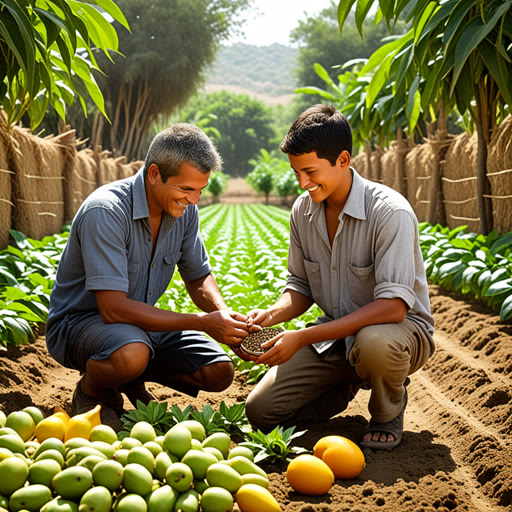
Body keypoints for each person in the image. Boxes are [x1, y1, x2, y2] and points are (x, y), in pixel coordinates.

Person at [243, 104, 435, 449]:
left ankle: (386, 410)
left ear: (343, 160)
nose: (303, 183)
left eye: (311, 171)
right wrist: (270, 315)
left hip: (398, 334)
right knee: (261, 411)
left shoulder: (389, 212)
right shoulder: (303, 211)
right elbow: (300, 286)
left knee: (375, 342)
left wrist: (302, 337)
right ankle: (345, 379)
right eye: (297, 172)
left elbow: (393, 308)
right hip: (336, 337)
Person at [46, 124, 250, 428]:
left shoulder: (185, 212)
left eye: (199, 190)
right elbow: (112, 308)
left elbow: (198, 277)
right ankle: (91, 391)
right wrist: (201, 322)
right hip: (82, 324)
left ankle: (128, 379)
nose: (194, 200)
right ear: (154, 174)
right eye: (185, 189)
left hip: (140, 327)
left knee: (219, 371)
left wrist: (223, 317)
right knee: (131, 353)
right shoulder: (106, 211)